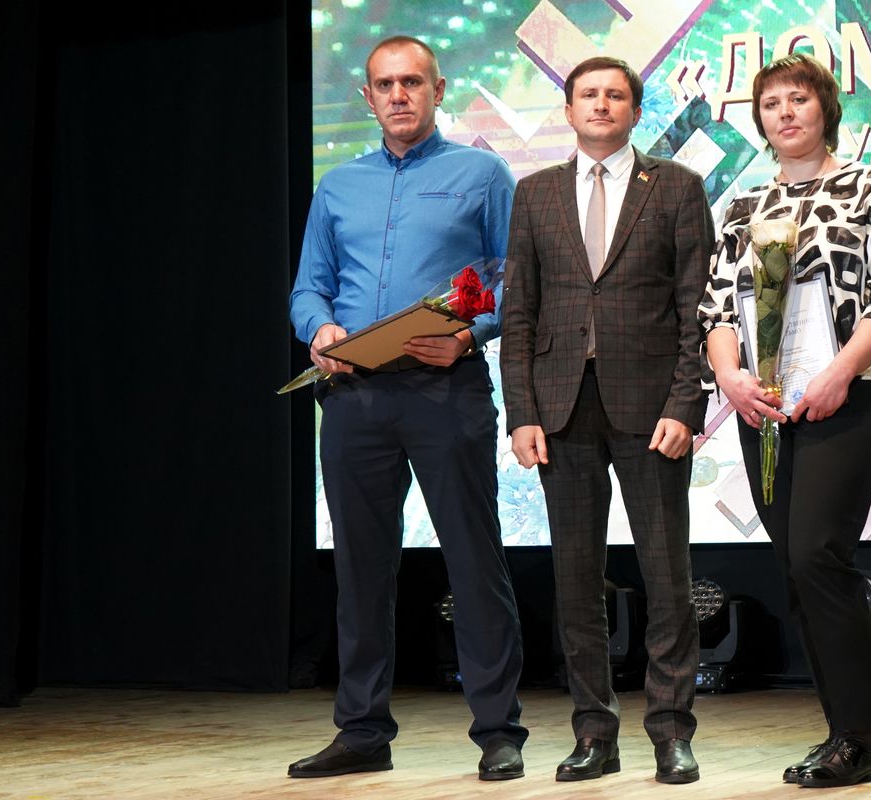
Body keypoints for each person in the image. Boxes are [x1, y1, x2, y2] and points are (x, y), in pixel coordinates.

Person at [287, 36, 527, 782]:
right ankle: (362, 731)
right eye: (385, 84)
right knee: (360, 569)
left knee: (473, 558)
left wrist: (469, 337)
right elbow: (309, 287)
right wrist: (319, 329)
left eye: (412, 82)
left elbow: (514, 280)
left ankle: (498, 731)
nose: (399, 95)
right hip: (353, 396)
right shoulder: (338, 186)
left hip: (444, 390)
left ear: (437, 89)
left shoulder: (482, 174)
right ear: (367, 97)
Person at [699, 54, 871, 788]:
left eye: (798, 99)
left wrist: (839, 372)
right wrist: (730, 377)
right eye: (771, 104)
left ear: (825, 108)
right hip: (762, 406)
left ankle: (858, 738)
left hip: (843, 396)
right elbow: (716, 309)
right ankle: (839, 732)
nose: (785, 113)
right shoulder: (742, 205)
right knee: (797, 567)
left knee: (819, 555)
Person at [500, 56, 713, 785]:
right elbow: (519, 313)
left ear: (635, 110)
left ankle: (672, 732)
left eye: (615, 94)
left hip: (651, 408)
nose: (601, 104)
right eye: (588, 94)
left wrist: (685, 404)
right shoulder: (535, 193)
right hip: (561, 408)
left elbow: (696, 309)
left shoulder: (676, 187)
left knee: (667, 575)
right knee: (576, 580)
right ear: (568, 110)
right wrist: (521, 413)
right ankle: (594, 732)